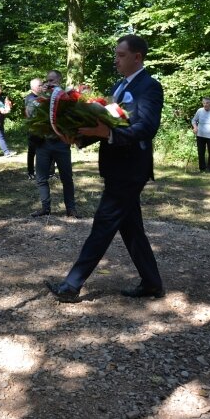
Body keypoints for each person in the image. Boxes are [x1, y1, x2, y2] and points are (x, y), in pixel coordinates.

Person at [45, 34, 164, 302]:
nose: (116, 60)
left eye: (121, 56)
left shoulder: (150, 87)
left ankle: (71, 285)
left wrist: (109, 135)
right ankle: (152, 283)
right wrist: (77, 136)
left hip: (131, 169)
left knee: (104, 223)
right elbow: (105, 123)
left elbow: (146, 128)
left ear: (137, 57)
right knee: (130, 227)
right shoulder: (118, 86)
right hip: (115, 166)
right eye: (116, 55)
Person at [31, 70, 78, 218]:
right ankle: (46, 208)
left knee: (66, 178)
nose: (49, 83)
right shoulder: (41, 98)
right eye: (47, 81)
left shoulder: (65, 98)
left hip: (61, 144)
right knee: (41, 178)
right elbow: (30, 113)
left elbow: (72, 118)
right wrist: (41, 97)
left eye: (52, 80)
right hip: (43, 143)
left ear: (59, 81)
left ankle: (71, 209)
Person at [191, 97, 210, 173]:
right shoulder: (199, 110)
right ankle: (202, 168)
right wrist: (195, 127)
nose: (205, 105)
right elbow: (194, 120)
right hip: (200, 134)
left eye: (207, 103)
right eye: (204, 103)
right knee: (200, 152)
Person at [25, 78, 42, 179]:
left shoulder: (39, 97)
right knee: (32, 151)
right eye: (40, 85)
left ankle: (41, 171)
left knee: (41, 151)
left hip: (40, 128)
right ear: (35, 87)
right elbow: (31, 113)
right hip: (33, 128)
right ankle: (30, 172)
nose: (42, 87)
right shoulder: (31, 98)